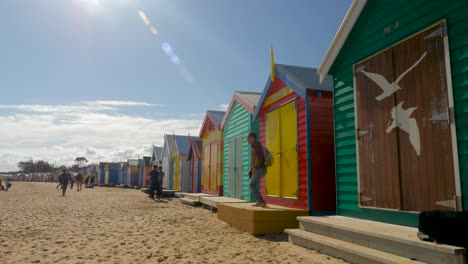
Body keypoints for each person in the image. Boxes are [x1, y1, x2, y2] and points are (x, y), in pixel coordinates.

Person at [247, 132, 267, 207]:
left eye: (248, 138)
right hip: (259, 168)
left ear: (253, 138)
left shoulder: (256, 146)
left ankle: (260, 201)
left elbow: (259, 158)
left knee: (251, 185)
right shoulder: (254, 146)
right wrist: (252, 169)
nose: (247, 140)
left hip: (260, 168)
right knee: (253, 184)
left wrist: (255, 168)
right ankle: (260, 201)